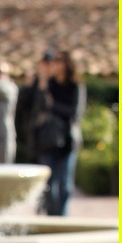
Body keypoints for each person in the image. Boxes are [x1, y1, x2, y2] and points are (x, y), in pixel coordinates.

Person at [29, 50, 86, 216]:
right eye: (54, 61)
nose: (55, 65)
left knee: (65, 184)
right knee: (49, 184)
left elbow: (75, 113)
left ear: (67, 64)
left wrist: (53, 106)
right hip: (48, 139)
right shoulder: (48, 84)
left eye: (59, 61)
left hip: (67, 140)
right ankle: (52, 218)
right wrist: (42, 84)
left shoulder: (75, 86)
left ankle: (62, 218)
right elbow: (36, 107)